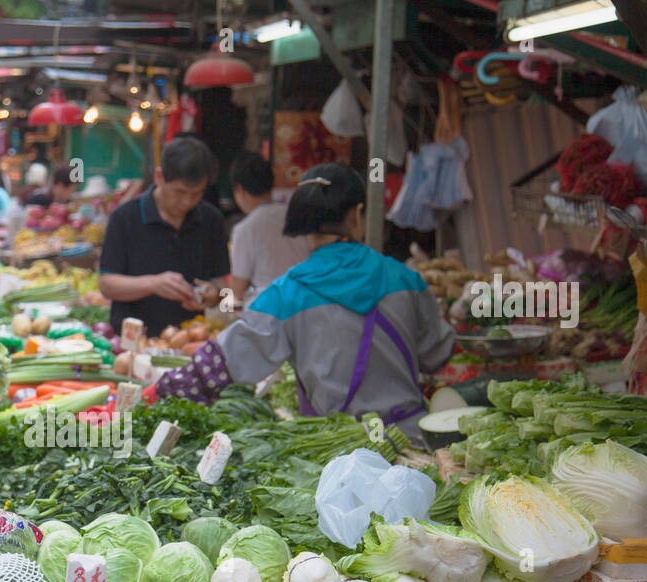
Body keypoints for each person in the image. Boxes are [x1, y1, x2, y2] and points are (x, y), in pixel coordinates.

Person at [147, 163, 454, 442]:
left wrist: (160, 392)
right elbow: (436, 353)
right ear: (357, 213)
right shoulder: (406, 279)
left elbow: (223, 363)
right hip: (412, 441)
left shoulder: (287, 293)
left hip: (338, 450)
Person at [98, 137, 230, 337]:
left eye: (196, 194)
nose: (187, 202)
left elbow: (222, 285)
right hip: (133, 341)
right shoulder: (125, 217)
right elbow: (107, 285)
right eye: (179, 192)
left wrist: (213, 295)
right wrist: (152, 284)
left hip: (189, 340)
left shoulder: (211, 219)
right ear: (159, 177)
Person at [228, 151, 309, 305]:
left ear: (239, 190)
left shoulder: (245, 229)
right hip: (304, 305)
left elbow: (237, 292)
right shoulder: (298, 217)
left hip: (268, 313)